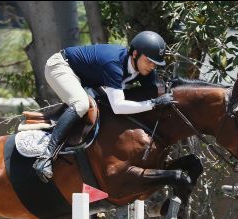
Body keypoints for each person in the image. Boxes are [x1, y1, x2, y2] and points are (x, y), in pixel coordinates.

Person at [32, 31, 176, 182]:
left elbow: (154, 92)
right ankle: (45, 157)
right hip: (61, 66)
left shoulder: (144, 69)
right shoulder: (114, 63)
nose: (152, 66)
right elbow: (119, 106)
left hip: (88, 79)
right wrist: (153, 104)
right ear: (134, 54)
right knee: (81, 104)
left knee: (105, 108)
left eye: (156, 63)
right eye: (149, 61)